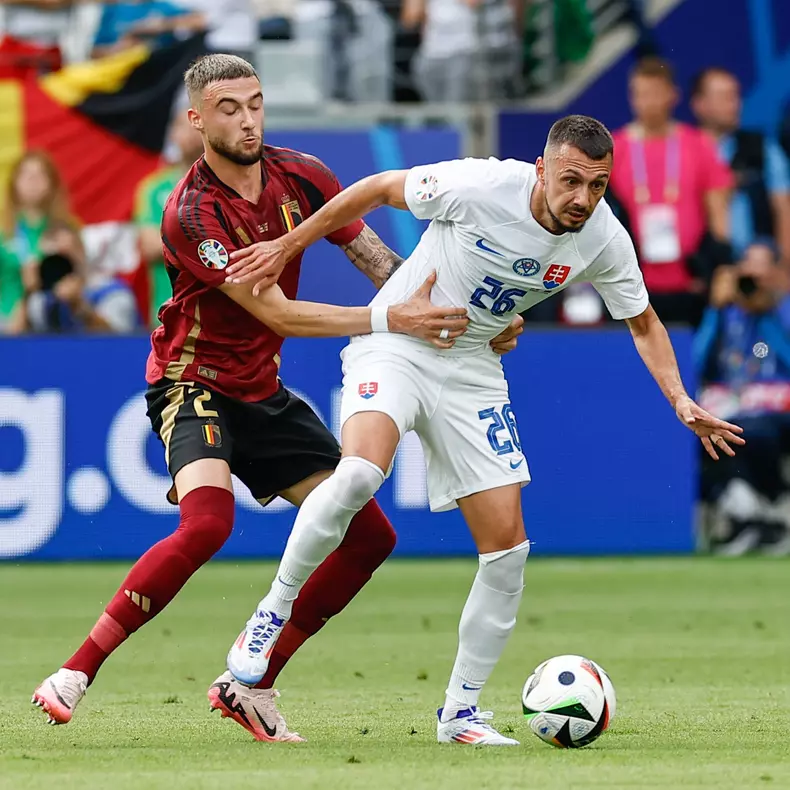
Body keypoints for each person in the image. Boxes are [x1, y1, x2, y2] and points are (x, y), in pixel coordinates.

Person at [220, 114, 746, 746]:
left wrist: (680, 400)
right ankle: (269, 613)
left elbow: (643, 322)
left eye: (598, 186)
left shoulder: (603, 238)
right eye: (571, 180)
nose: (582, 199)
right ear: (543, 168)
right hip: (398, 344)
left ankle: (460, 715)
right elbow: (379, 188)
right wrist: (287, 246)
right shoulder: (481, 185)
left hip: (472, 371)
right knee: (359, 472)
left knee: (507, 553)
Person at [31, 53, 482, 740]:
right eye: (229, 109)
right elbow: (278, 315)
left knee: (368, 536)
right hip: (192, 383)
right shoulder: (190, 214)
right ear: (196, 119)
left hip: (261, 390)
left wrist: (452, 315)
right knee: (208, 524)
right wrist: (396, 319)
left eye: (255, 103)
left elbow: (375, 262)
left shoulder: (304, 175)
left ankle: (253, 685)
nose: (247, 120)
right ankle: (77, 670)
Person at [608, 57, 734, 327]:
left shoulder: (699, 145)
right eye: (640, 94)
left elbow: (719, 214)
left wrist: (724, 267)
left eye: (655, 93)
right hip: (633, 282)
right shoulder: (614, 149)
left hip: (692, 282)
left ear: (672, 95)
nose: (648, 102)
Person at [696, 241, 790, 555]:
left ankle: (769, 513)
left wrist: (768, 314)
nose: (754, 276)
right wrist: (714, 309)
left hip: (775, 408)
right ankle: (749, 518)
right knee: (706, 437)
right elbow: (695, 362)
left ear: (778, 272)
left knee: (756, 434)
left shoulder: (782, 310)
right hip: (730, 406)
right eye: (748, 265)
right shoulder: (727, 313)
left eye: (762, 266)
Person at [691, 67, 790, 267]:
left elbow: (783, 209)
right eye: (723, 97)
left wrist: (785, 268)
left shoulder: (763, 148)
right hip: (703, 270)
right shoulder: (683, 153)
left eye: (735, 95)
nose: (734, 104)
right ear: (699, 105)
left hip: (762, 267)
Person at [134, 110, 205, 326]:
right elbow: (150, 247)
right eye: (184, 126)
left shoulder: (229, 186)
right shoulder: (153, 189)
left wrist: (173, 239)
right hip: (167, 314)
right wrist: (201, 240)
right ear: (172, 134)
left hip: (218, 316)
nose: (191, 134)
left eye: (197, 127)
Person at [1, 150, 77, 329]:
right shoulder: (3, 231)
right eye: (26, 175)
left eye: (40, 175)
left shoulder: (66, 229)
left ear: (52, 183)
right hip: (6, 318)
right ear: (14, 183)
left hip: (54, 318)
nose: (32, 181)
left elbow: (81, 278)